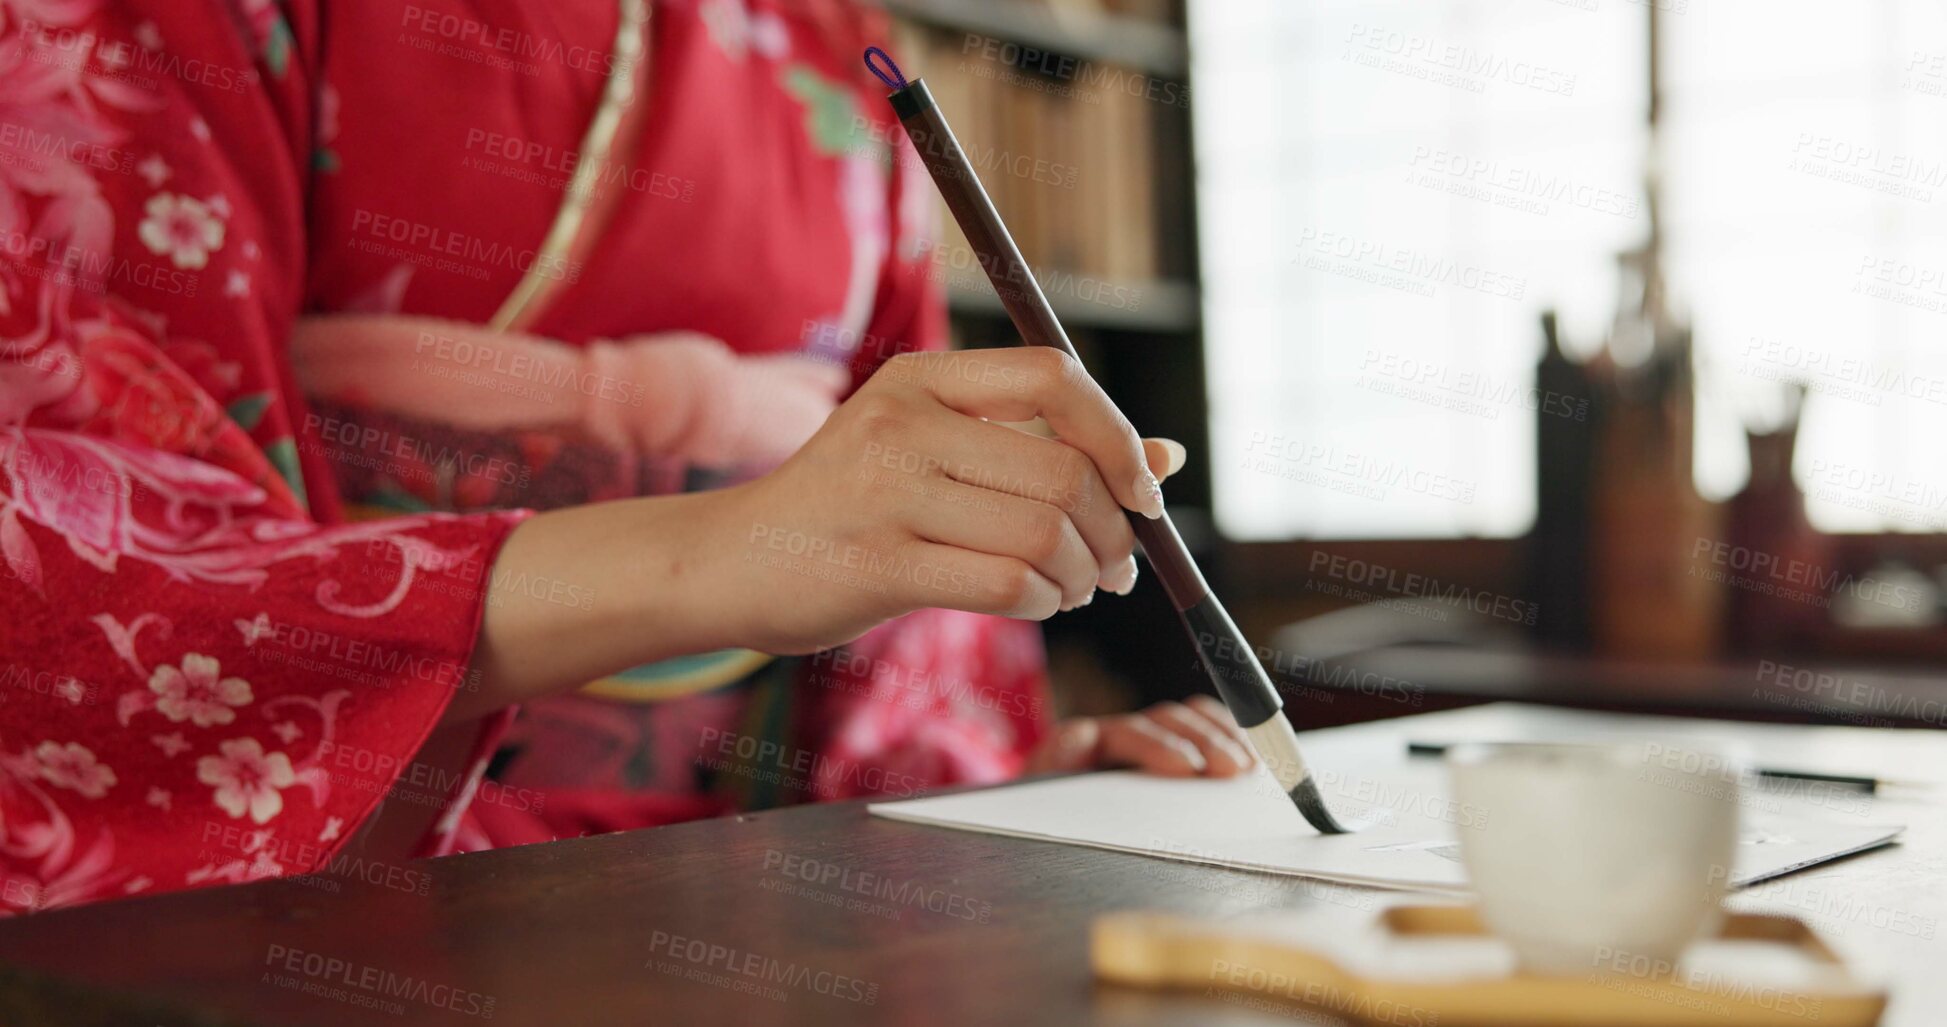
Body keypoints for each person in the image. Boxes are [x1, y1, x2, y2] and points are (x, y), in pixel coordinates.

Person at [0, 0, 1251, 914]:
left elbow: (900, 488)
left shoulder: (822, 36)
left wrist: (976, 804)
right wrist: (723, 551)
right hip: (367, 880)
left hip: (769, 879)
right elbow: (88, 539)